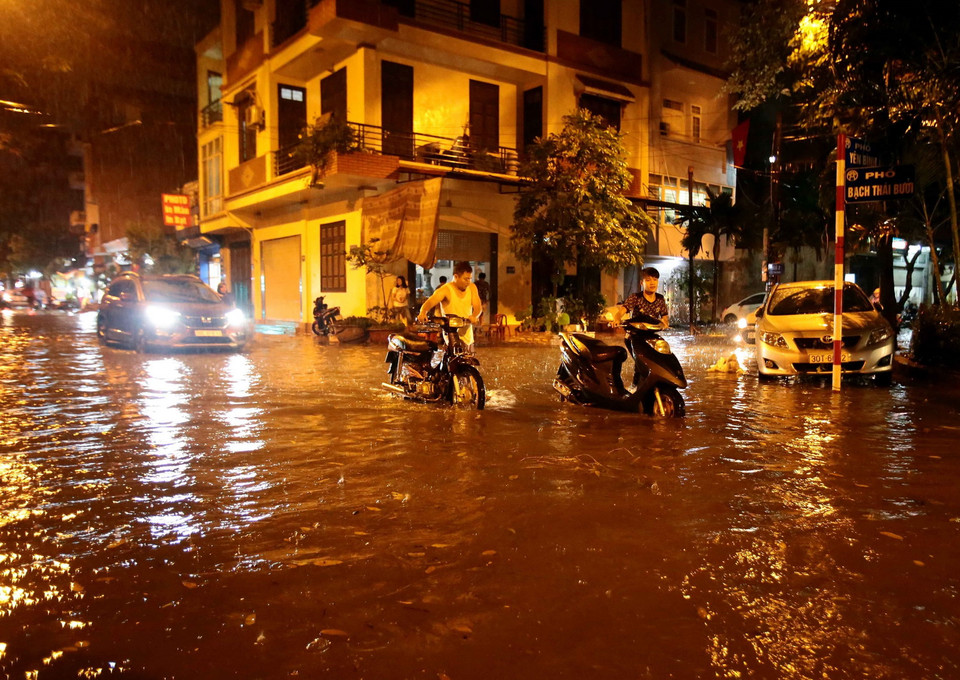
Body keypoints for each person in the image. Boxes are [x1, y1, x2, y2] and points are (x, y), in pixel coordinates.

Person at [418, 261, 482, 351]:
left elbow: (478, 306)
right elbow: (430, 301)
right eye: (466, 279)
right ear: (456, 277)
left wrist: (474, 316)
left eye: (470, 278)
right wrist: (423, 312)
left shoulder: (472, 287)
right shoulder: (446, 289)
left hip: (468, 336)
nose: (468, 282)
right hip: (451, 336)